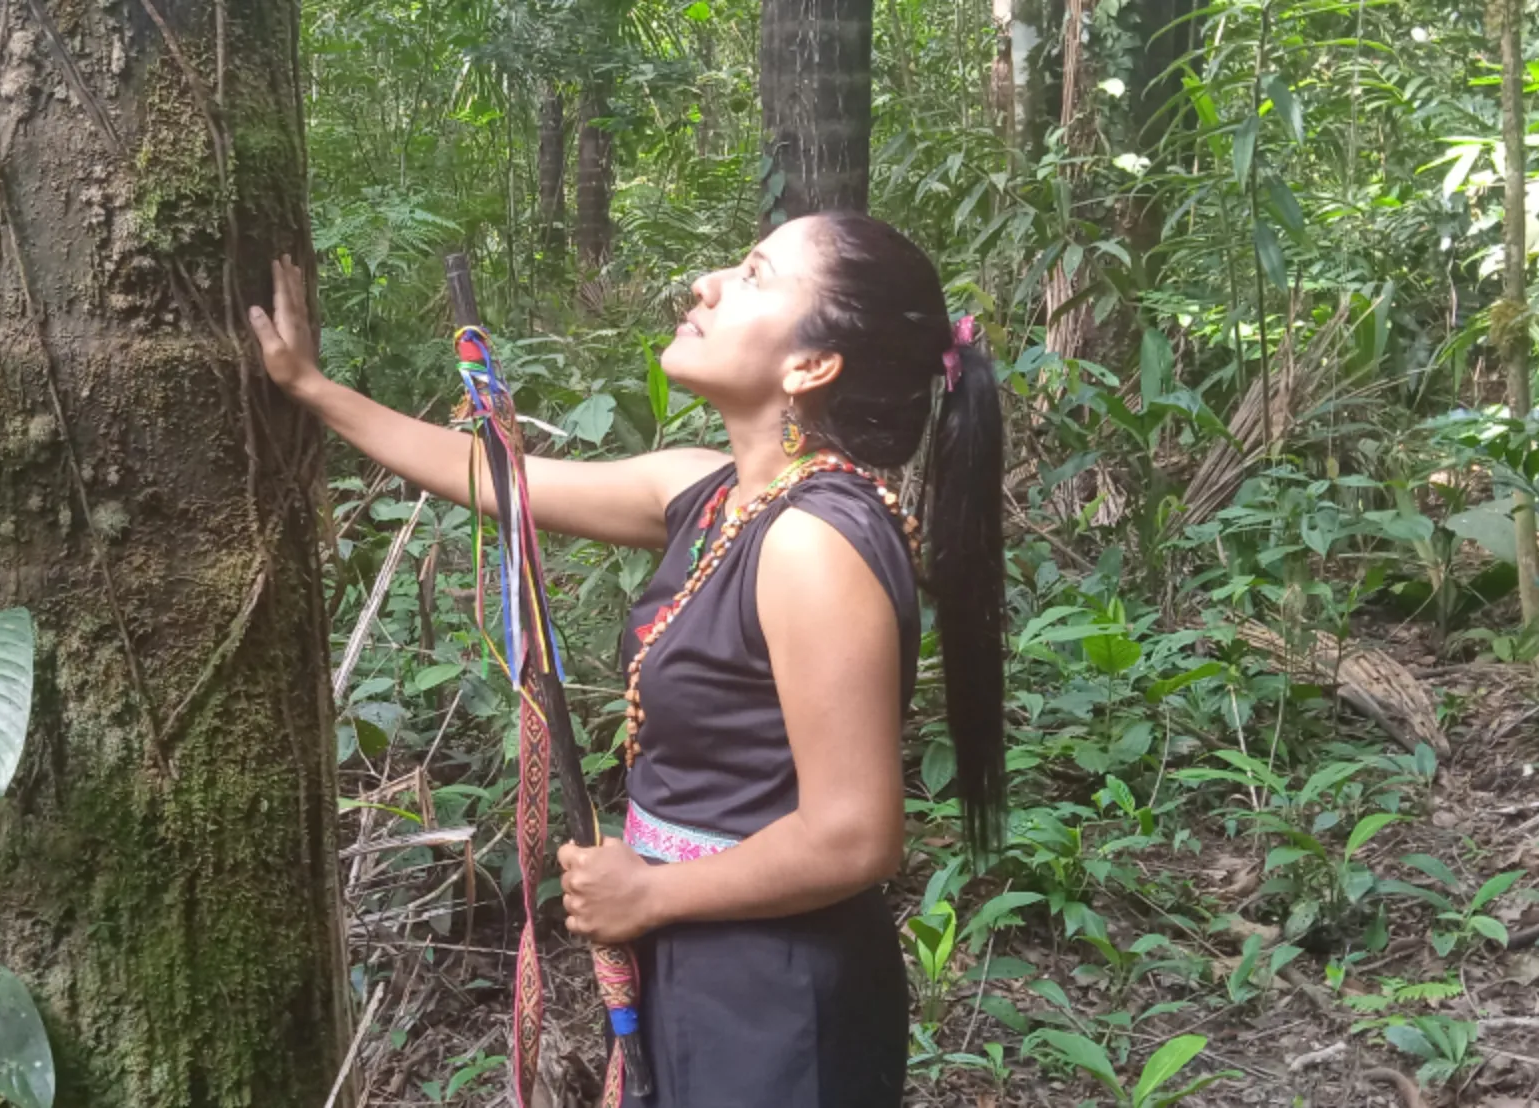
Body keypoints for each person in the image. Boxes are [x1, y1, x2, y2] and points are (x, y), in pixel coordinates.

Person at [246, 210, 1009, 1108]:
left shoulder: (813, 543)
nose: (708, 283)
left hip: (777, 988)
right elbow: (496, 479)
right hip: (703, 957)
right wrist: (311, 387)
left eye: (755, 275)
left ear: (811, 366)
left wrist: (649, 896)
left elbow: (855, 836)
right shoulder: (712, 492)